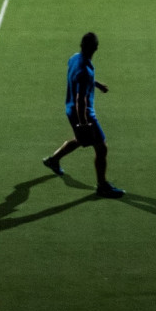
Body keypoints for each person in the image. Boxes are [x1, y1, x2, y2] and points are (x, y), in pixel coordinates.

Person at [43, 31, 123, 198]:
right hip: (83, 113)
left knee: (81, 139)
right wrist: (84, 123)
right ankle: (102, 186)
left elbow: (77, 77)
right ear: (96, 48)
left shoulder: (74, 58)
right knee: (101, 148)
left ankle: (53, 160)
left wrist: (97, 84)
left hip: (70, 109)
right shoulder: (86, 71)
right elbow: (81, 100)